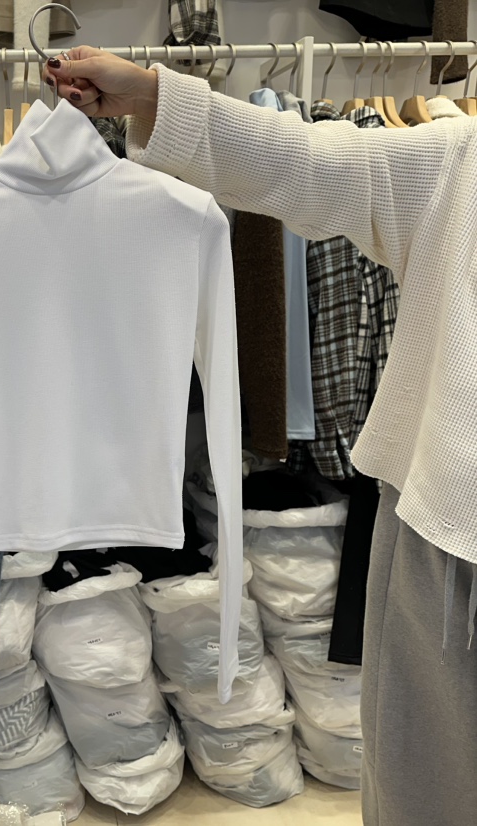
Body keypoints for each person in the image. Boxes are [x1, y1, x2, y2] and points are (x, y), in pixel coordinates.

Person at [43, 47, 477, 826]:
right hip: (448, 536)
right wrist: (153, 96)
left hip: (444, 530)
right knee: (429, 786)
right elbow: (305, 161)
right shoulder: (461, 163)